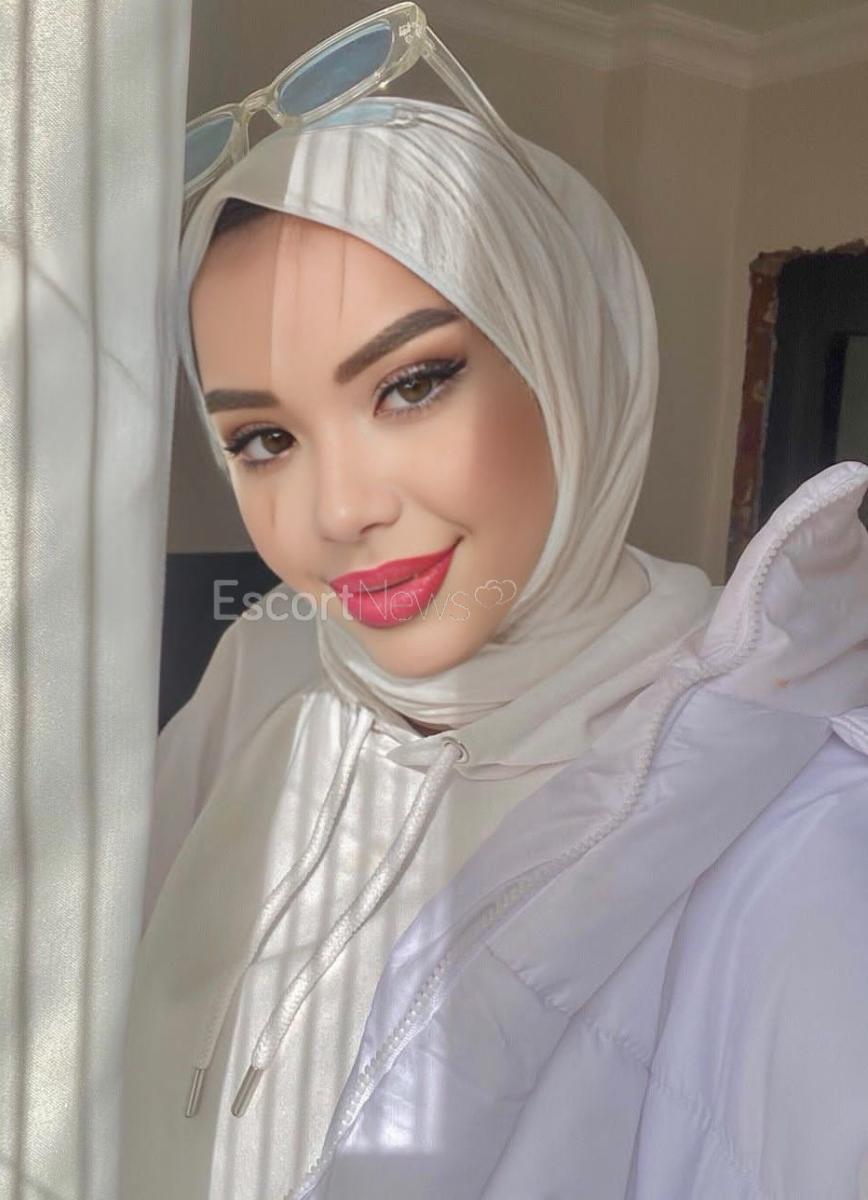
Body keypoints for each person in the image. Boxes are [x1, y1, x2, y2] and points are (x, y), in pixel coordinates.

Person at [119, 33, 868, 1200]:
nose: (338, 512)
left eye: (410, 384)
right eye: (263, 439)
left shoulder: (792, 810)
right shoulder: (269, 665)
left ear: (569, 359)